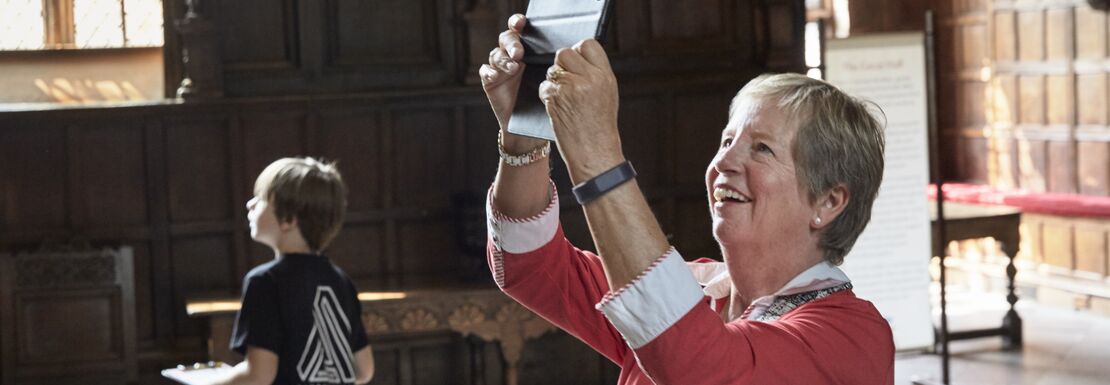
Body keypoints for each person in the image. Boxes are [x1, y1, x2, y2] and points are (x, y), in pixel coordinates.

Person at [480, 14, 894, 384]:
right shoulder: (694, 290)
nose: (724, 161)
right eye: (727, 140)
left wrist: (597, 153)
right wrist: (526, 133)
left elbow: (699, 368)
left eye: (762, 149)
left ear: (828, 201)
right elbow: (529, 265)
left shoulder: (853, 335)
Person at [208, 157, 375, 385]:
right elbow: (364, 370)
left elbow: (258, 376)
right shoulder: (341, 281)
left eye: (262, 199)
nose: (250, 204)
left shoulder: (265, 281)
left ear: (288, 219)